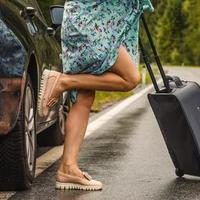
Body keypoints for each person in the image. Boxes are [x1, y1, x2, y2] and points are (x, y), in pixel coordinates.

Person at [38, 0, 154, 191]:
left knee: (84, 96)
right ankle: (63, 81)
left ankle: (68, 168)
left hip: (87, 21)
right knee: (130, 78)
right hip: (92, 25)